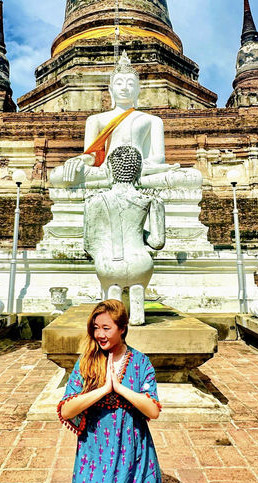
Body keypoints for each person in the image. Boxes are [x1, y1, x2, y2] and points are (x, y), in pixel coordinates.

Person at [58, 299, 175, 483]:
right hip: (95, 449)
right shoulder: (87, 361)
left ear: (122, 329)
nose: (100, 334)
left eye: (107, 328)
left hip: (133, 448)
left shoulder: (140, 362)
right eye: (96, 328)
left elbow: (153, 410)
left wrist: (120, 388)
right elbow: (66, 409)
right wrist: (102, 390)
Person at [50, 51, 200, 189]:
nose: (124, 88)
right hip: (106, 172)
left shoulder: (152, 120)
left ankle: (117, 183)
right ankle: (115, 181)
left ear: (138, 90)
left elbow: (159, 158)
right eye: (119, 83)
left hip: (140, 172)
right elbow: (91, 156)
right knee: (58, 175)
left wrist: (136, 168)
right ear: (111, 90)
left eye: (130, 83)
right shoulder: (95, 120)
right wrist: (79, 161)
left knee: (192, 177)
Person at [83, 146, 165, 325]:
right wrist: (139, 232)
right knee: (137, 285)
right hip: (140, 264)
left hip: (108, 263)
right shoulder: (150, 200)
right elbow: (157, 242)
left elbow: (89, 244)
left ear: (110, 170)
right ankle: (137, 312)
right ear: (139, 171)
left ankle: (113, 306)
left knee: (111, 286)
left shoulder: (94, 200)